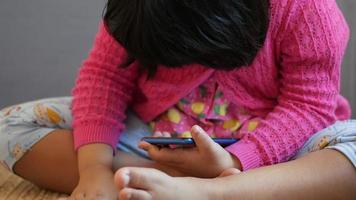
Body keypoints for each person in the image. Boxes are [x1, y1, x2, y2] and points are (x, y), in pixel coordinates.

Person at [0, 0, 355, 199]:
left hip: (274, 148)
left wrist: (235, 158)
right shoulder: (137, 8)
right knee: (11, 125)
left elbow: (308, 106)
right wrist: (92, 168)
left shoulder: (308, 11)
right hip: (157, 137)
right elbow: (104, 78)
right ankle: (173, 182)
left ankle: (210, 191)